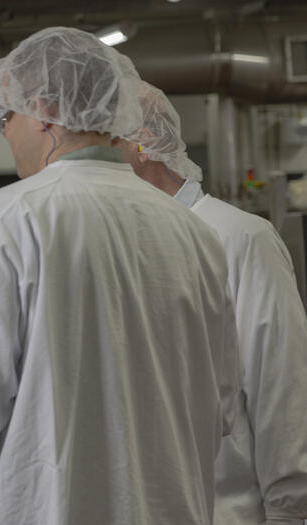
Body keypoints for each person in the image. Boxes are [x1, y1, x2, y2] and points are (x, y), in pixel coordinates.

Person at [0, 27, 240, 524]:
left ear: (44, 111)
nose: (6, 133)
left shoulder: (9, 218)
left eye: (7, 115)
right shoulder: (191, 231)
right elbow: (220, 406)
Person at [114, 80, 307, 524]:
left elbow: (280, 381)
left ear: (143, 144)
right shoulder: (120, 244)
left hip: (227, 510)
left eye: (103, 141)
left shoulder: (239, 237)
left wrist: (287, 509)